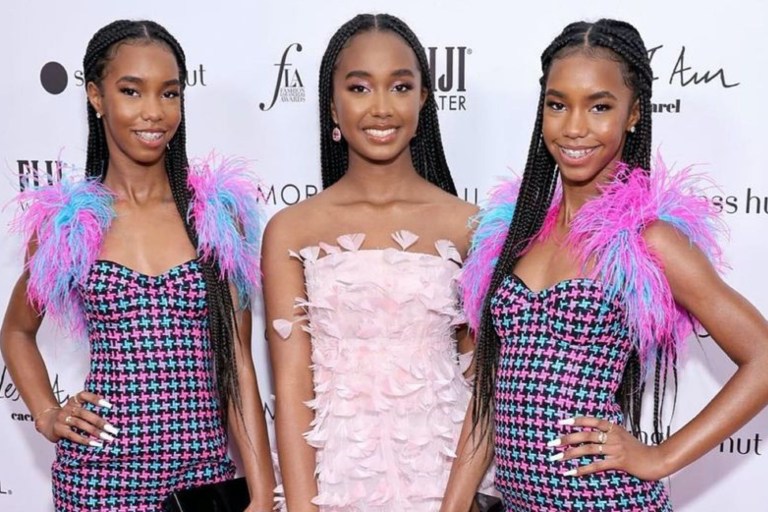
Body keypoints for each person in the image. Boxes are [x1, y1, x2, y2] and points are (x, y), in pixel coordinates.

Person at [440, 18, 768, 512]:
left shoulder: (648, 240)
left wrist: (659, 457)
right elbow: (489, 392)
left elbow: (762, 358)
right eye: (557, 105)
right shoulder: (514, 236)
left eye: (599, 106)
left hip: (608, 500)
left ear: (633, 113)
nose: (574, 127)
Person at [0, 19, 274, 511]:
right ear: (96, 96)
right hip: (98, 482)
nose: (154, 112)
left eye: (169, 94)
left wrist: (260, 491)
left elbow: (238, 365)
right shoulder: (69, 225)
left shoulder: (213, 216)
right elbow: (17, 331)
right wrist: (45, 413)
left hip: (202, 480)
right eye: (132, 91)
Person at [263, 13, 491, 512]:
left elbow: (484, 382)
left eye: (400, 86)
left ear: (424, 99)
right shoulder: (291, 229)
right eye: (360, 87)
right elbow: (292, 383)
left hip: (444, 485)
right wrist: (303, 507)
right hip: (333, 486)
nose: (382, 108)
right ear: (332, 104)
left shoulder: (471, 226)